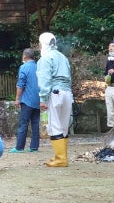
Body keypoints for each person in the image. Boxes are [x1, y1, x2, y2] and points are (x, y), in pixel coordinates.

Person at [37, 32, 73, 167]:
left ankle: (60, 158)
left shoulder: (45, 58)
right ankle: (63, 157)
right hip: (67, 92)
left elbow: (44, 79)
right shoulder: (63, 57)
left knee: (54, 125)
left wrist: (43, 98)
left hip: (54, 93)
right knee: (64, 126)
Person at [9, 48, 40, 153]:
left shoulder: (24, 67)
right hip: (38, 99)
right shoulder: (39, 67)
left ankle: (19, 147)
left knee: (23, 123)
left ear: (24, 56)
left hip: (27, 99)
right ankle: (34, 147)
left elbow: (21, 84)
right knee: (35, 123)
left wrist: (17, 98)